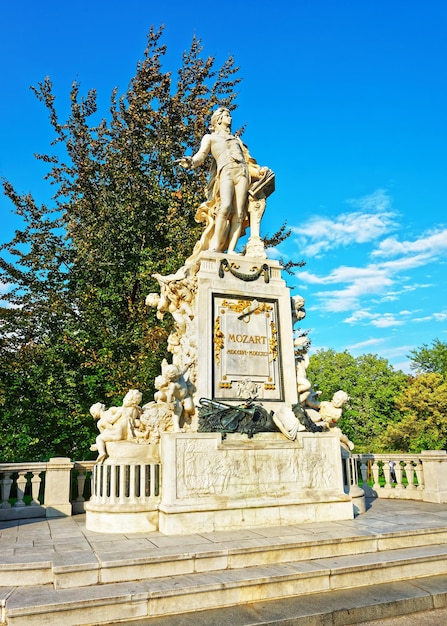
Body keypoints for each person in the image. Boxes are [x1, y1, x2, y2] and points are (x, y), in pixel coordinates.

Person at [178, 107, 270, 254]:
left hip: (242, 173)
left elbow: (246, 162)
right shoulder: (210, 138)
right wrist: (191, 161)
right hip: (225, 171)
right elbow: (201, 156)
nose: (230, 119)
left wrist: (259, 172)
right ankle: (215, 247)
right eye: (227, 116)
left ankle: (231, 250)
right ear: (219, 119)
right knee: (225, 207)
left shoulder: (236, 141)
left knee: (239, 213)